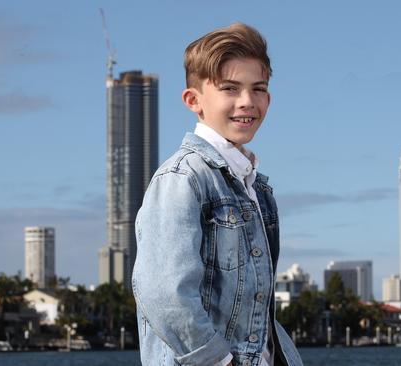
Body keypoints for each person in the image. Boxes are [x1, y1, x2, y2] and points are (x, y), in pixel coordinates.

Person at [132, 23, 303, 366]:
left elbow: (254, 310)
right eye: (230, 88)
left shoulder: (255, 188)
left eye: (258, 89)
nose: (247, 101)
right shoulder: (183, 178)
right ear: (193, 100)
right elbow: (164, 293)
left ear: (269, 99)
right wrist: (219, 361)